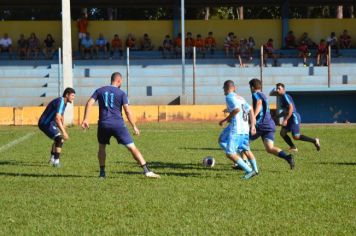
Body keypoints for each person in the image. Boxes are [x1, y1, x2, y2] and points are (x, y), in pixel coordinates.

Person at [81, 72, 160, 179]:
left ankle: (102, 173)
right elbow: (127, 111)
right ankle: (147, 171)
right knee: (132, 147)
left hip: (103, 124)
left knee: (101, 147)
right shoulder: (121, 93)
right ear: (118, 80)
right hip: (118, 124)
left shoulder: (100, 90)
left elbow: (89, 103)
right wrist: (134, 126)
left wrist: (86, 119)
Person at [248, 78, 295, 169]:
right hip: (269, 125)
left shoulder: (255, 94)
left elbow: (259, 103)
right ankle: (288, 157)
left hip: (260, 125)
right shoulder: (263, 95)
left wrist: (253, 116)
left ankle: (245, 163)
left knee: (244, 142)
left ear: (252, 87)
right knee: (269, 148)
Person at [218, 80, 258, 180]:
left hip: (236, 129)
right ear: (234, 88)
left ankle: (249, 170)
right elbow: (250, 109)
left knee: (230, 153)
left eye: (223, 88)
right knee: (246, 150)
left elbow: (236, 110)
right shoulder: (240, 98)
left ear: (226, 88)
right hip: (245, 129)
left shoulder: (229, 97)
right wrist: (252, 125)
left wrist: (225, 120)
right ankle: (255, 170)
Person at [275, 83, 320, 152]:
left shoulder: (285, 96)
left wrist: (285, 120)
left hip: (293, 117)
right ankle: (293, 147)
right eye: (277, 88)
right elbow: (285, 111)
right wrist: (277, 116)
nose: (277, 90)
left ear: (283, 89)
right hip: (290, 118)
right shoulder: (282, 98)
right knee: (282, 133)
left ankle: (314, 140)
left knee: (296, 136)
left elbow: (291, 108)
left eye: (279, 88)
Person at [38, 87, 76, 167]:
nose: (73, 97)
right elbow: (57, 118)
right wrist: (64, 132)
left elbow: (61, 115)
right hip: (45, 123)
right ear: (67, 95)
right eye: (72, 95)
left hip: (50, 123)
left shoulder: (63, 102)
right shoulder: (61, 101)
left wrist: (63, 125)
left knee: (57, 138)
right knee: (60, 138)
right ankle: (56, 162)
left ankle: (52, 159)